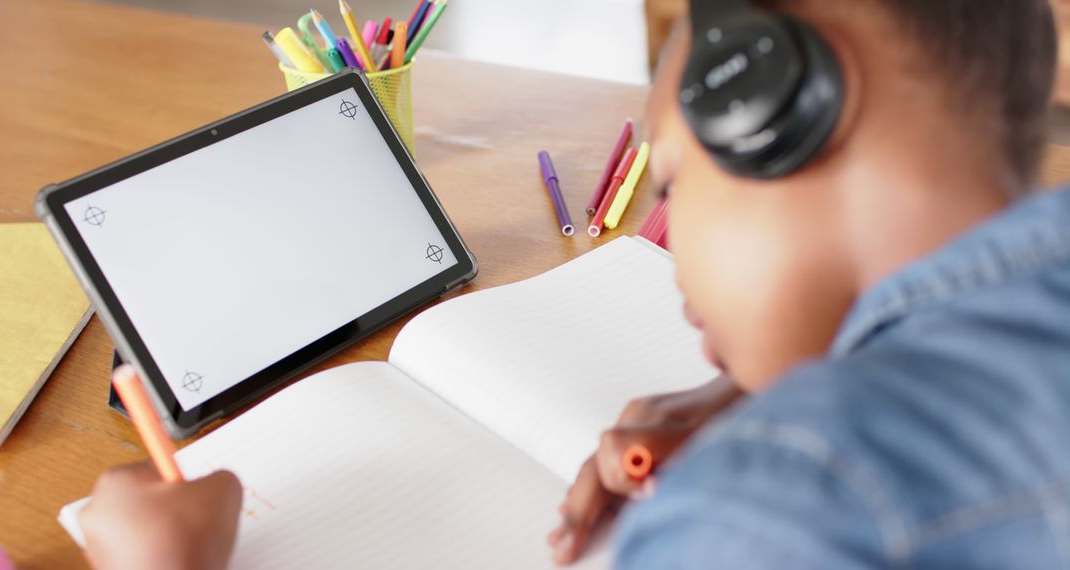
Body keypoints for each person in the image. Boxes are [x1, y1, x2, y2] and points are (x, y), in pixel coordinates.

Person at [79, 0, 1069, 568]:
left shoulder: (781, 509)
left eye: (674, 183)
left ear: (783, 106)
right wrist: (767, 388)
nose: (670, 251)